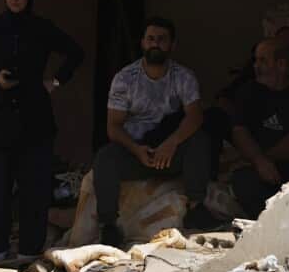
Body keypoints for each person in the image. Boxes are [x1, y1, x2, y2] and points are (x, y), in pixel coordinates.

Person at [0, 0, 84, 264]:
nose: (15, 0)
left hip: (35, 117)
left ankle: (29, 253)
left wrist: (56, 81)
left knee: (34, 189)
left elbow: (74, 52)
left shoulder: (42, 28)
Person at [93, 17, 220, 248]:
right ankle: (109, 225)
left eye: (162, 40)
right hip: (137, 150)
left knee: (200, 140)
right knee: (105, 158)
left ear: (172, 45)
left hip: (171, 150)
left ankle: (196, 207)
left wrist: (171, 144)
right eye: (151, 39)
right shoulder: (124, 79)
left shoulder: (183, 76)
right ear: (142, 43)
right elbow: (113, 126)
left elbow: (195, 115)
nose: (155, 44)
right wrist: (137, 149)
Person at [229, 39, 289, 218]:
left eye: (263, 61)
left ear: (281, 65)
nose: (256, 66)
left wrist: (265, 161)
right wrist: (258, 161)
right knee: (243, 181)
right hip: (261, 166)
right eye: (256, 60)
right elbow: (239, 130)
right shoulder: (248, 91)